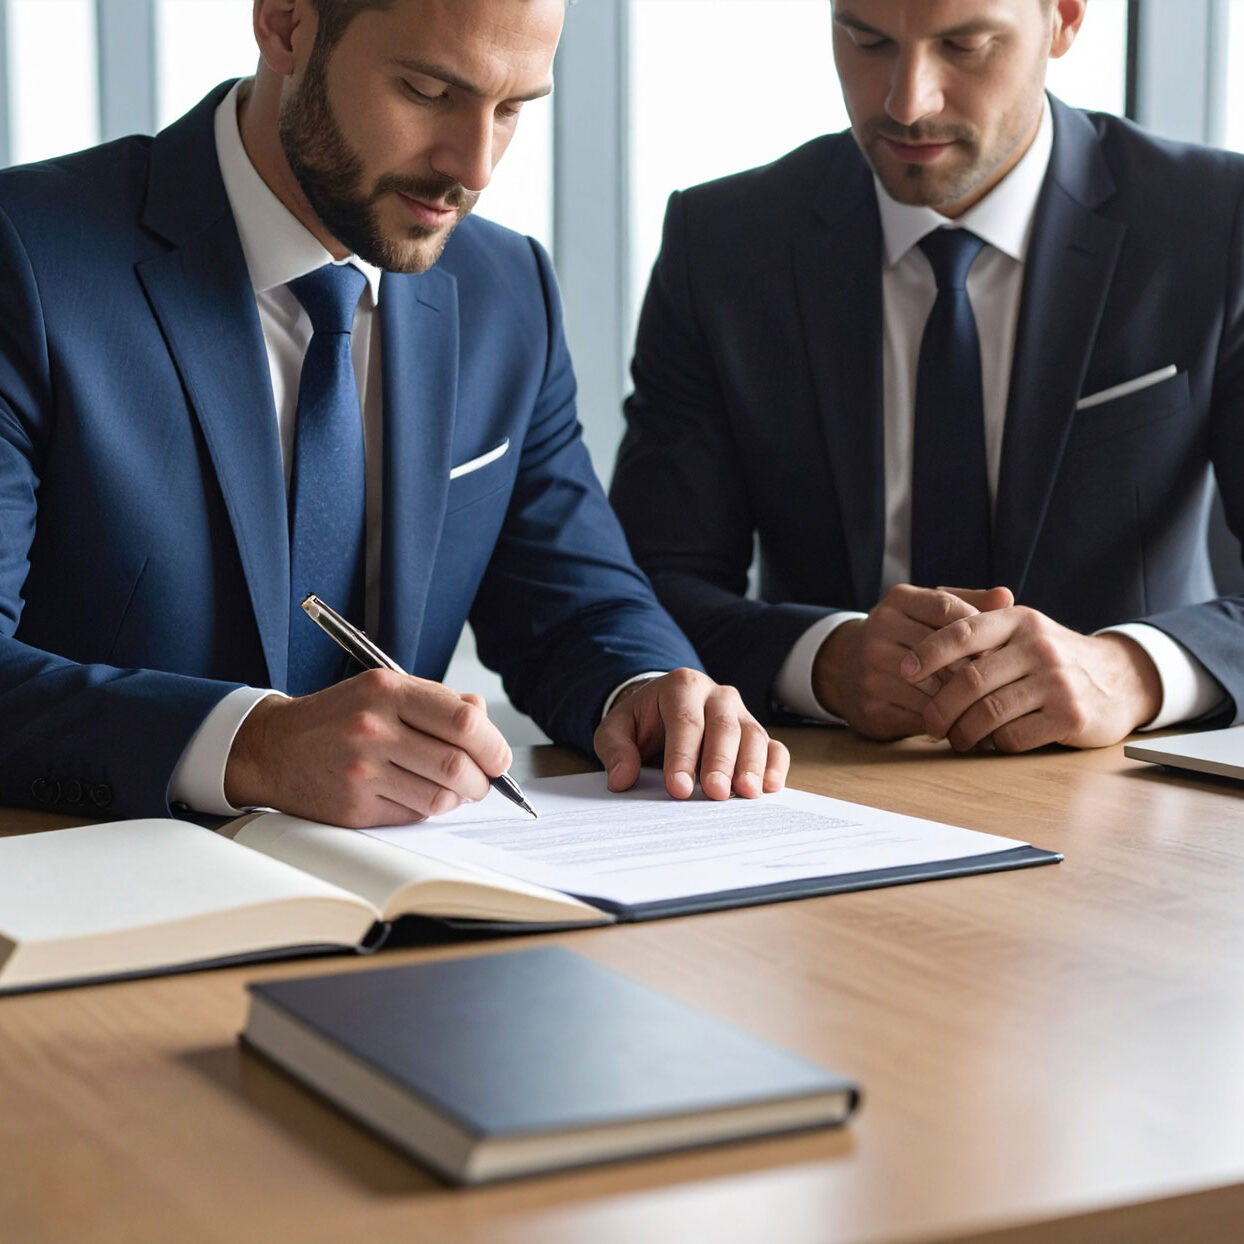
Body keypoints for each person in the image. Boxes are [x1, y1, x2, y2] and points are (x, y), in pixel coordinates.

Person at [0, 0, 789, 827]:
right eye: (426, 91)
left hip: (410, 900)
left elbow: (577, 606)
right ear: (286, 25)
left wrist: (651, 689)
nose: (476, 166)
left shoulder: (506, 291)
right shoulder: (27, 258)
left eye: (513, 108)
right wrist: (256, 746)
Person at [611, 0, 1244, 755]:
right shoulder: (720, 245)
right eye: (866, 40)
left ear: (1066, 19)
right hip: (816, 784)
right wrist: (826, 660)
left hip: (1124, 788)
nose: (908, 102)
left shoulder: (1215, 221)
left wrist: (1130, 670)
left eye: (966, 45)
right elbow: (644, 585)